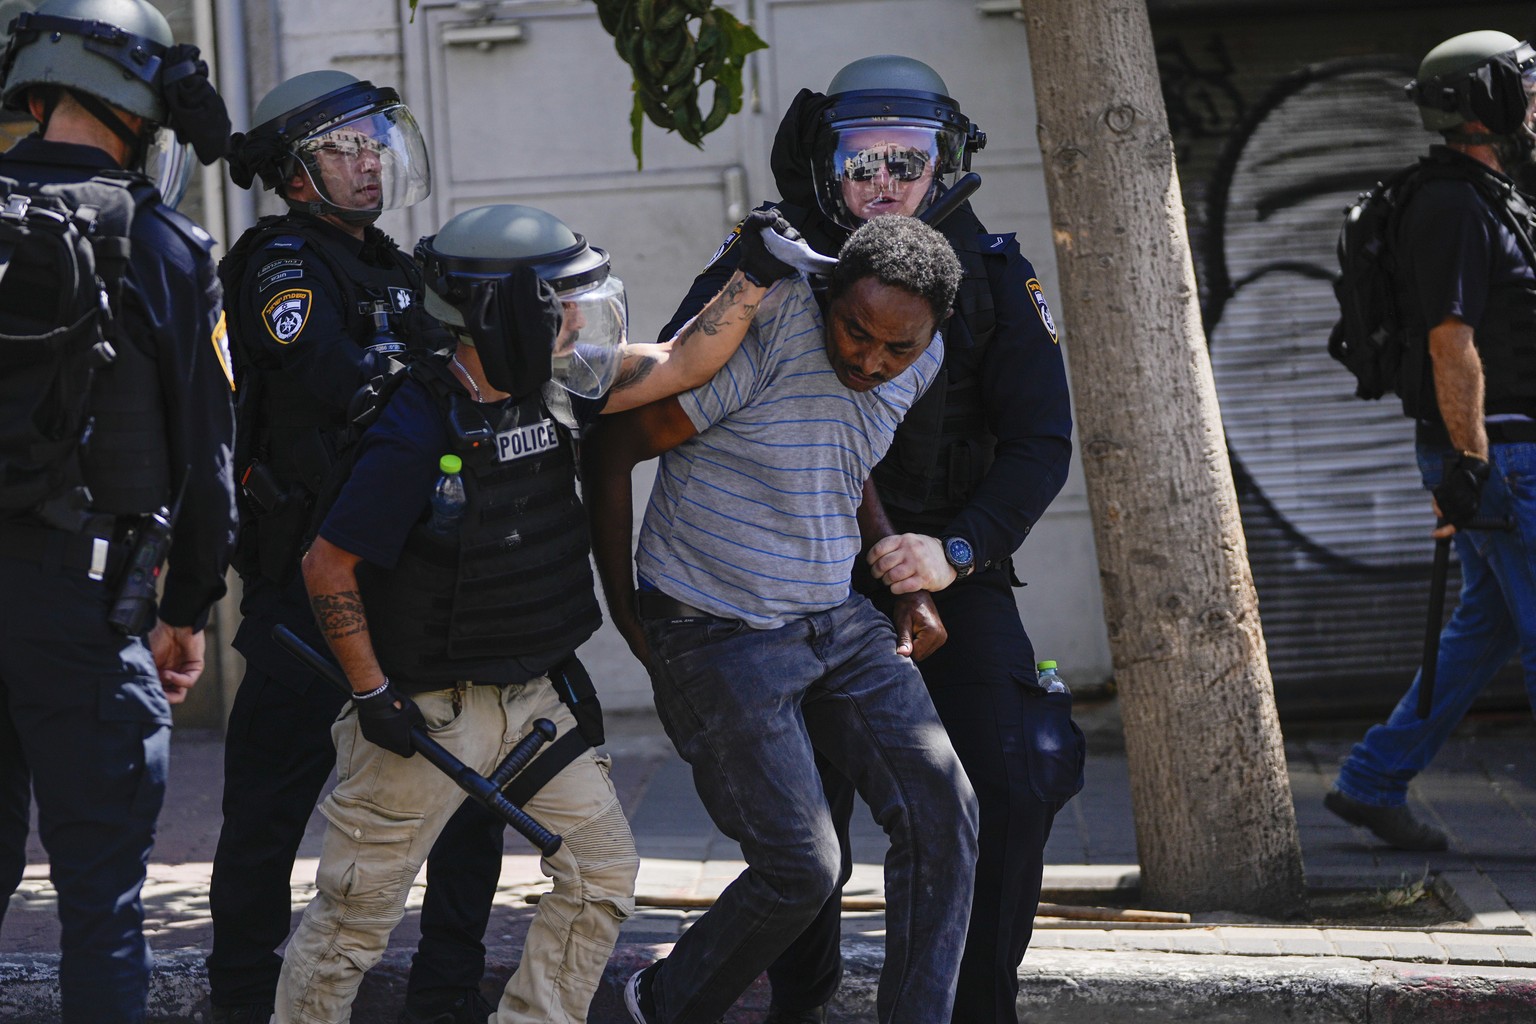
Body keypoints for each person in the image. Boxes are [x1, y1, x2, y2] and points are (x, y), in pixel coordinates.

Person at [274, 201, 779, 1024]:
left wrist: (756, 265)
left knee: (601, 875)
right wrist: (371, 696)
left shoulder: (557, 387)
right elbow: (327, 565)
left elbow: (686, 362)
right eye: (561, 303)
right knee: (350, 926)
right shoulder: (414, 423)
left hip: (531, 703)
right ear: (504, 314)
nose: (579, 320)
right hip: (427, 714)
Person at [657, 55, 1083, 1024]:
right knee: (811, 831)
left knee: (1013, 778)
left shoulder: (989, 270)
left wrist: (957, 552)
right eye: (862, 164)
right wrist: (754, 274)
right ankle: (800, 1003)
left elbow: (1041, 442)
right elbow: (674, 369)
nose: (885, 186)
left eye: (909, 162)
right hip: (795, 584)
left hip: (946, 573)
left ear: (949, 163)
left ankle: (973, 1007)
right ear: (825, 166)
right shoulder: (780, 257)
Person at [586, 213, 979, 1024]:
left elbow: (846, 451)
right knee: (803, 867)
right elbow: (616, 444)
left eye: (895, 348)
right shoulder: (770, 333)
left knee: (945, 809)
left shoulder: (921, 355)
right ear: (829, 297)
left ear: (931, 333)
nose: (870, 360)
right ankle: (654, 1006)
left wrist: (904, 585)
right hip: (713, 627)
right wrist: (628, 611)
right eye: (855, 332)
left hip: (829, 614)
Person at [208, 69, 516, 1024]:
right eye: (341, 146)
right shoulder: (280, 266)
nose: (367, 159)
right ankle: (242, 1000)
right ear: (295, 175)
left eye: (371, 140)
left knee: (470, 794)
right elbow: (338, 377)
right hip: (309, 584)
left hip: (412, 581)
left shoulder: (394, 263)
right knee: (267, 810)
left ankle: (448, 991)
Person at [0, 1, 234, 1021]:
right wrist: (183, 611)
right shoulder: (166, 245)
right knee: (100, 901)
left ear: (36, 88)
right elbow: (211, 468)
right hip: (83, 608)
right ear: (143, 109)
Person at [1326, 31, 1536, 852]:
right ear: (1482, 99)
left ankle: (1371, 781)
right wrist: (1470, 463)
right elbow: (1452, 343)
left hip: (1502, 450)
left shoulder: (1492, 195)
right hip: (1501, 454)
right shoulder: (1449, 205)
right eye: (1524, 84)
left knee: (1485, 629)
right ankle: (1372, 780)